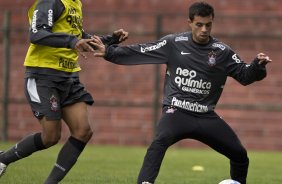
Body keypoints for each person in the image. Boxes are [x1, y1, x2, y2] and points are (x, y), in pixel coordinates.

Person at [92, 1, 271, 184]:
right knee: (159, 141)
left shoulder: (222, 51)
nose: (204, 29)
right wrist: (109, 52)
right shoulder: (173, 43)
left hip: (205, 115)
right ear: (190, 22)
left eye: (208, 25)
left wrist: (258, 66)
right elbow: (140, 51)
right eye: (199, 24)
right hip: (176, 111)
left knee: (240, 155)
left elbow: (245, 75)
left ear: (212, 23)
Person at [0, 0, 128, 183]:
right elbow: (37, 34)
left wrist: (110, 39)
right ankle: (3, 159)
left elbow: (78, 37)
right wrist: (72, 41)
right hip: (43, 75)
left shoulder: (76, 4)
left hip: (69, 77)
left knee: (83, 131)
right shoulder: (51, 1)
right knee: (51, 136)